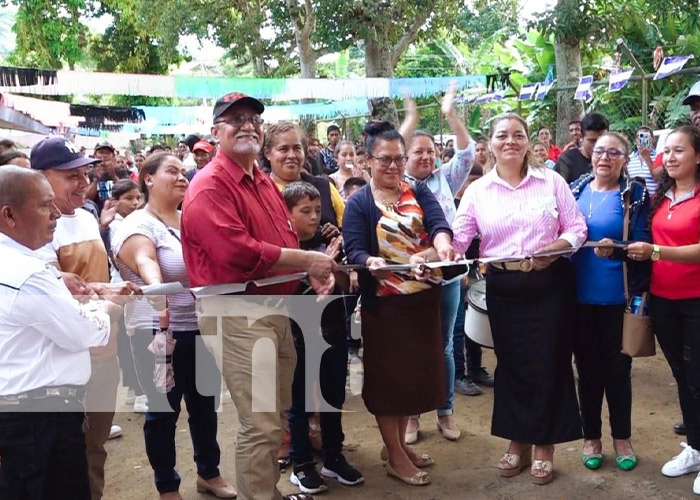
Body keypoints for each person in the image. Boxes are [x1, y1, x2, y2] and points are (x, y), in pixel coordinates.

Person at [181, 92, 336, 500]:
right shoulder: (210, 184)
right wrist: (309, 260)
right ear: (216, 132)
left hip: (274, 310)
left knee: (273, 417)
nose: (246, 124)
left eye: (252, 118)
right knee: (262, 423)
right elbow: (237, 252)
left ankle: (265, 491)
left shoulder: (261, 178)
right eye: (234, 119)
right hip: (237, 312)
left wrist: (311, 267)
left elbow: (282, 238)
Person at [452, 113, 587, 485]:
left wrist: (557, 247)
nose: (510, 141)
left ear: (528, 141)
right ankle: (518, 441)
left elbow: (576, 227)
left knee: (551, 361)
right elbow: (460, 239)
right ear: (491, 143)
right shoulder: (478, 190)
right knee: (511, 365)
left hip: (551, 285)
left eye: (518, 135)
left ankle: (545, 446)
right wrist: (440, 250)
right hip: (505, 289)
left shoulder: (551, 181)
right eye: (502, 135)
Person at [343, 121, 458, 487]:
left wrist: (439, 246)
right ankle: (394, 455)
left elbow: (440, 225)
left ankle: (399, 447)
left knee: (414, 381)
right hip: (386, 307)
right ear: (368, 160)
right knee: (389, 384)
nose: (393, 166)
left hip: (423, 303)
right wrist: (370, 261)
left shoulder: (419, 191)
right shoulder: (360, 203)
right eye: (384, 159)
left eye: (398, 159)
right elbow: (355, 248)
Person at [114, 153, 235, 500]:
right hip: (158, 334)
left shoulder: (190, 219)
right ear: (147, 178)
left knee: (204, 406)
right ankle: (167, 486)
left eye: (184, 172)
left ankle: (208, 473)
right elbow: (145, 260)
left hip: (201, 328)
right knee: (163, 413)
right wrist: (159, 290)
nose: (182, 178)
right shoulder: (136, 224)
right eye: (172, 171)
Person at [0, 166, 121, 500]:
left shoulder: (22, 266)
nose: (55, 214)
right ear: (8, 215)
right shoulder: (25, 273)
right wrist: (107, 306)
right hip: (39, 419)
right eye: (43, 206)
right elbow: (84, 333)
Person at [31, 137, 140, 500]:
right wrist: (109, 297)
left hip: (103, 349)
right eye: (71, 176)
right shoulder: (34, 229)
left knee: (95, 444)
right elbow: (55, 292)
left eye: (84, 173)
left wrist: (112, 291)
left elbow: (102, 277)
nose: (83, 183)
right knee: (64, 452)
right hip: (63, 360)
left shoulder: (89, 216)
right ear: (41, 178)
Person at [625, 125, 700, 496]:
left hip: (697, 300)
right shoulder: (661, 196)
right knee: (683, 376)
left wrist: (656, 252)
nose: (669, 157)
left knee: (699, 377)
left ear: (698, 156)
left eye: (679, 151)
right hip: (664, 299)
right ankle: (697, 448)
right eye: (666, 151)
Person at [570, 132, 651, 472]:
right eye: (599, 151)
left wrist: (617, 247)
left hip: (618, 299)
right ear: (591, 154)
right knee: (586, 371)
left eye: (613, 152)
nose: (604, 157)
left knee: (618, 371)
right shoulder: (575, 189)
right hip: (577, 298)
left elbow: (645, 241)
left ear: (624, 157)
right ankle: (592, 438)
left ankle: (622, 439)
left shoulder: (635, 194)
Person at [399, 84, 475, 443]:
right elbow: (389, 150)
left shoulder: (447, 178)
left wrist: (450, 112)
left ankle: (445, 412)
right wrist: (411, 118)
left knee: (444, 345)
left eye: (431, 151)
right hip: (407, 276)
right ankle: (413, 416)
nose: (426, 157)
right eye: (418, 151)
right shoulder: (396, 183)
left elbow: (467, 152)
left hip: (446, 275)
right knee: (414, 346)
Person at [281, 182, 364, 495]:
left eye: (317, 210)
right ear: (286, 215)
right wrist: (308, 267)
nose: (314, 217)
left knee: (333, 397)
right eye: (305, 211)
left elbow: (346, 282)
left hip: (334, 330)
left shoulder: (330, 243)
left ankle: (334, 457)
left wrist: (335, 266)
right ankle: (301, 464)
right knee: (301, 402)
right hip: (299, 336)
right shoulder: (285, 251)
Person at [263, 122, 345, 232]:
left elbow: (349, 228)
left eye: (297, 148)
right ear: (267, 153)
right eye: (283, 149)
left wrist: (338, 236)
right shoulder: (261, 193)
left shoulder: (324, 187)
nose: (291, 155)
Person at [555, 113, 609, 183]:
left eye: (602, 140)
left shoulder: (613, 159)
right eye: (592, 141)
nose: (597, 145)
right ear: (581, 137)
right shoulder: (567, 160)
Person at [87, 141, 127, 214]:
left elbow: (127, 192)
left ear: (113, 156)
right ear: (94, 155)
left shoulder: (121, 171)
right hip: (96, 214)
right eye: (101, 152)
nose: (104, 156)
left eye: (108, 153)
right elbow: (87, 199)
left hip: (118, 214)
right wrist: (95, 180)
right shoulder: (90, 173)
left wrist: (113, 176)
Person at [627, 126, 659, 195]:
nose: (643, 139)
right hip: (634, 201)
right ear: (636, 140)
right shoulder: (629, 159)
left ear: (652, 139)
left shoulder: (658, 157)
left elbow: (659, 178)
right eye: (640, 136)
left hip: (654, 201)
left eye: (646, 136)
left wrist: (647, 157)